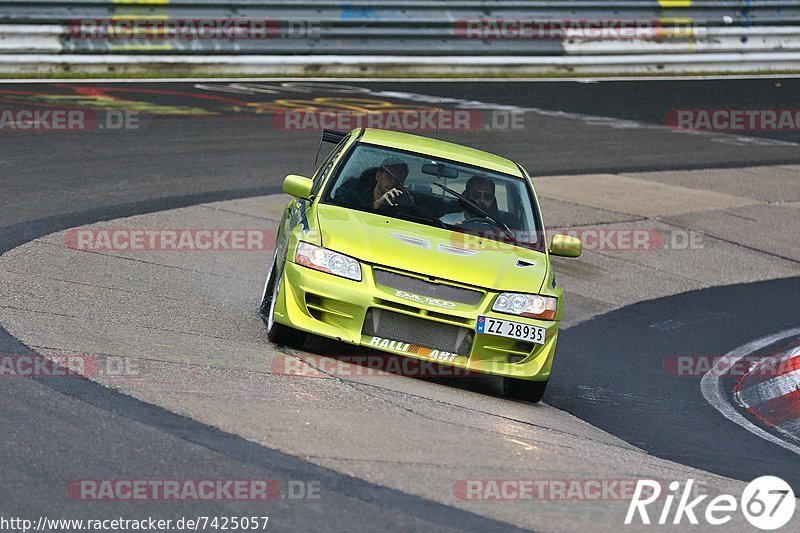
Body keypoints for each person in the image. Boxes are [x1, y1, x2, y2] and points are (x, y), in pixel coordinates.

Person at [335, 157, 409, 212]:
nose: (393, 182)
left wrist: (406, 203)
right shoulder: (354, 196)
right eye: (389, 176)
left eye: (399, 179)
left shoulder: (405, 205)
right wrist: (375, 206)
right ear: (378, 176)